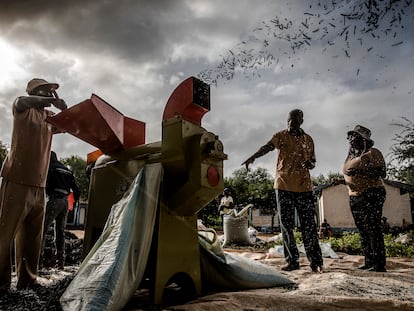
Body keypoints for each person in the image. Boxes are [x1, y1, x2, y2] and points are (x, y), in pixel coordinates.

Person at [0, 78, 67, 293]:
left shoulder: (49, 118)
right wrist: (44, 101)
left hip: (39, 184)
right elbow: (21, 101)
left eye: (51, 91)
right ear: (35, 92)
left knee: (33, 235)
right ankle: (0, 283)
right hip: (17, 178)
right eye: (46, 90)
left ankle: (27, 278)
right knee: (5, 233)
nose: (50, 94)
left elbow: (69, 125)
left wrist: (65, 110)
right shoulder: (22, 108)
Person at [242, 109, 323, 273]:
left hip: (304, 186)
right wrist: (253, 157)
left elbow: (313, 161)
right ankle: (292, 261)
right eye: (288, 120)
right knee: (286, 226)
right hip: (283, 184)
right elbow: (267, 147)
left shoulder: (308, 140)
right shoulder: (281, 136)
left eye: (293, 120)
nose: (290, 123)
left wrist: (311, 165)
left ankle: (316, 262)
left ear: (301, 121)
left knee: (309, 226)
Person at [335, 125, 387, 272]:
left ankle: (379, 264)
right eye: (349, 136)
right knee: (363, 230)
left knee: (373, 228)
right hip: (355, 195)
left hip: (372, 193)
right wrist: (341, 181)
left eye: (354, 136)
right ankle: (369, 261)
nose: (350, 139)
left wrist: (360, 172)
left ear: (363, 140)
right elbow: (352, 176)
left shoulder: (373, 152)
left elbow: (382, 173)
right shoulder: (351, 157)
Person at [41, 151, 80, 270]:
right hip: (65, 202)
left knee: (43, 229)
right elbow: (76, 189)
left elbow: (45, 183)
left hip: (54, 200)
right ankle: (60, 263)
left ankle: (38, 262)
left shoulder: (51, 167)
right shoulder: (67, 170)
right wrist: (75, 201)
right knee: (60, 232)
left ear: (49, 158)